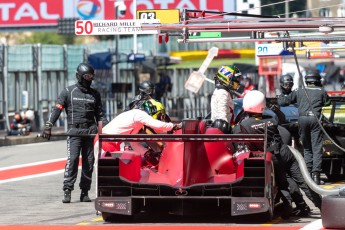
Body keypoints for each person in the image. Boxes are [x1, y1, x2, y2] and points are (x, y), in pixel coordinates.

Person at [41, 62, 109, 204]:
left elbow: (100, 116)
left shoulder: (95, 94)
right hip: (74, 132)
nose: (90, 79)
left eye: (91, 76)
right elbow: (57, 109)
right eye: (87, 76)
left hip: (90, 132)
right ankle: (67, 190)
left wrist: (106, 131)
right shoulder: (68, 92)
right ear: (79, 76)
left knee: (89, 163)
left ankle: (84, 192)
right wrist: (48, 126)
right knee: (72, 160)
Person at [233, 90, 294, 219]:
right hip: (275, 154)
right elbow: (281, 122)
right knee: (284, 181)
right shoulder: (272, 120)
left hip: (260, 157)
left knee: (283, 181)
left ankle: (293, 205)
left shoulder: (242, 125)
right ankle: (294, 206)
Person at [94, 98, 181, 168]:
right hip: (107, 142)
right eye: (159, 116)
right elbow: (156, 125)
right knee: (111, 175)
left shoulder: (135, 120)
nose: (159, 118)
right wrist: (173, 126)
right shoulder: (139, 114)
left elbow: (134, 143)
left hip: (103, 140)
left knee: (103, 177)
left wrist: (146, 153)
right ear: (154, 111)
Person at [277, 70, 330, 185]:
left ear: (306, 81)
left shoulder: (299, 90)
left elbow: (282, 102)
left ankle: (308, 176)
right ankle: (316, 176)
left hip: (302, 119)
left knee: (306, 148)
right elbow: (328, 103)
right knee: (316, 148)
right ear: (318, 81)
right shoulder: (321, 91)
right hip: (315, 119)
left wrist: (282, 93)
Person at [210, 65, 242, 134]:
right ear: (227, 78)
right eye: (236, 79)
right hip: (223, 130)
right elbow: (222, 114)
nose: (238, 82)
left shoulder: (219, 91)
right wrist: (229, 128)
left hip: (220, 128)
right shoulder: (222, 93)